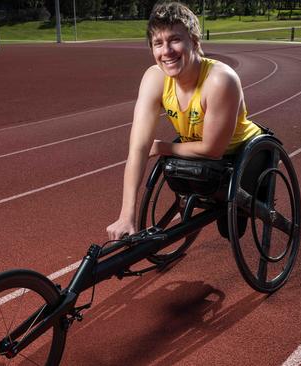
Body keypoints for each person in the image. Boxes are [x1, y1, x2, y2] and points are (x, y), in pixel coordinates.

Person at [106, 1, 263, 240]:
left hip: (240, 153)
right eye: (158, 43)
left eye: (175, 40)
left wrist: (163, 147)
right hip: (196, 149)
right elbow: (138, 147)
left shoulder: (220, 80)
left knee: (231, 231)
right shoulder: (154, 79)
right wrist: (127, 216)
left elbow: (212, 149)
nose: (166, 51)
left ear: (195, 41)